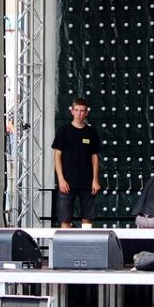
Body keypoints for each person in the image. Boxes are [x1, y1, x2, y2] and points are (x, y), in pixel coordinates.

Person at [51, 97, 101, 228]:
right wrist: (61, 179)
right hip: (67, 182)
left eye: (82, 111)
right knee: (65, 218)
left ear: (86, 113)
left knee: (87, 218)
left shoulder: (91, 132)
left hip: (87, 182)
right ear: (72, 111)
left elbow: (95, 157)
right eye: (77, 110)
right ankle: (65, 242)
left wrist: (95, 180)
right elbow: (57, 156)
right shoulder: (63, 131)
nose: (79, 114)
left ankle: (86, 241)